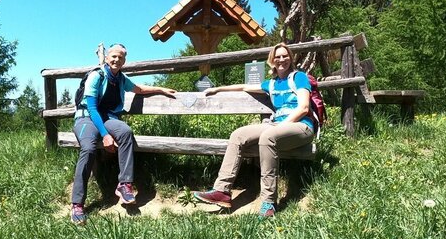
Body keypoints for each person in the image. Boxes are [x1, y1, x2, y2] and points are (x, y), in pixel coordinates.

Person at [193, 43, 315, 218]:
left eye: (285, 56)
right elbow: (244, 86)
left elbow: (303, 108)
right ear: (272, 61)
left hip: (301, 126)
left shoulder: (299, 77)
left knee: (267, 137)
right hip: (278, 127)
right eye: (278, 57)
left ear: (290, 58)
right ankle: (222, 191)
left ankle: (268, 202)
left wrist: (281, 126)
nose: (282, 60)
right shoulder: (271, 84)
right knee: (238, 135)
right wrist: (218, 88)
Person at [70, 43, 176, 225]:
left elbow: (139, 89)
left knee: (126, 132)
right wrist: (105, 135)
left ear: (124, 61)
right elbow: (93, 108)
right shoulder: (96, 76)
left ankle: (125, 184)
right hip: (87, 118)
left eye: (121, 57)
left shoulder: (120, 78)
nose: (117, 60)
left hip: (108, 118)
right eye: (114, 56)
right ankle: (77, 204)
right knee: (88, 148)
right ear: (106, 58)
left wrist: (161, 89)